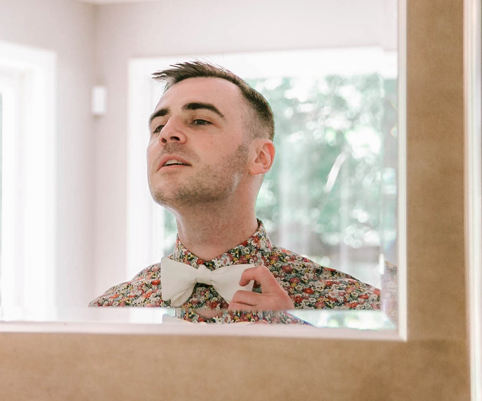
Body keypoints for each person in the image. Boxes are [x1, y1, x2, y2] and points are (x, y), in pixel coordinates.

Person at [93, 60, 381, 322]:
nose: (167, 134)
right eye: (158, 127)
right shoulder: (109, 312)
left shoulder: (362, 307)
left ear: (260, 157)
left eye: (200, 121)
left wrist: (293, 340)